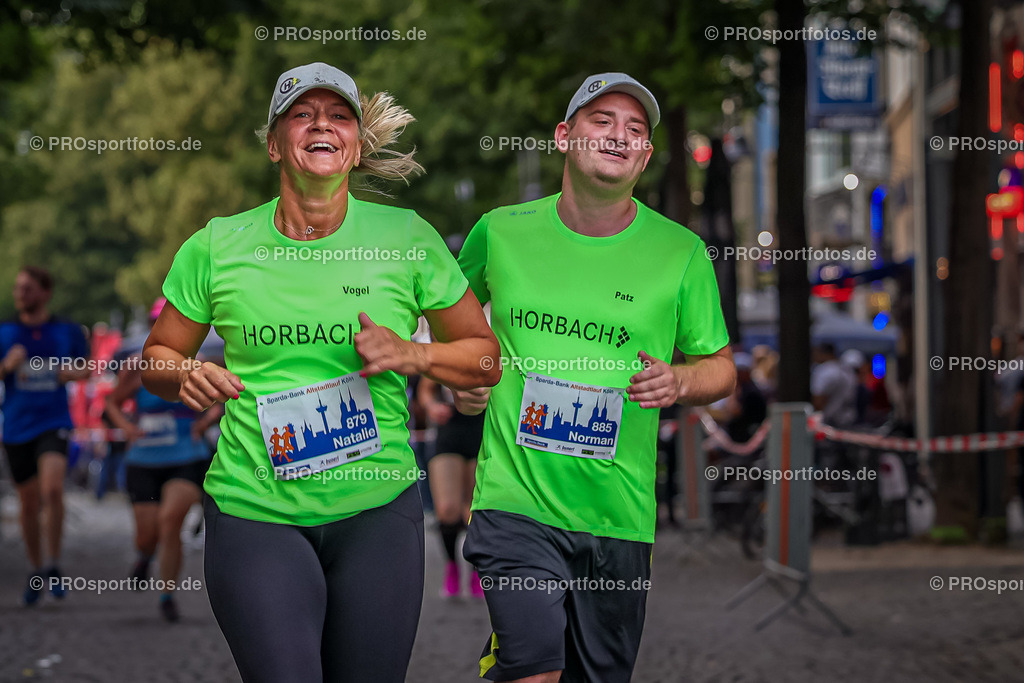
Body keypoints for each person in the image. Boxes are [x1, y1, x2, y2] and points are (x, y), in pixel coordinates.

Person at [140, 62, 499, 683]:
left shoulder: (406, 239)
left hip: (376, 509)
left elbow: (483, 355)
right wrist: (184, 374)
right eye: (301, 115)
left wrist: (414, 355)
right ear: (275, 143)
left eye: (338, 116)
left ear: (357, 145)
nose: (321, 125)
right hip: (256, 507)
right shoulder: (218, 245)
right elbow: (156, 358)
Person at [454, 73, 735, 683]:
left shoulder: (681, 252)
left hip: (619, 516)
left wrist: (681, 383)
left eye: (635, 129)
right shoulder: (499, 231)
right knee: (532, 660)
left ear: (647, 155)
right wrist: (464, 380)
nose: (619, 136)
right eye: (602, 120)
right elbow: (449, 326)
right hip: (515, 504)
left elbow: (721, 366)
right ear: (564, 136)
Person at [104, 297, 220, 621]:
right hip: (144, 459)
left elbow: (224, 399)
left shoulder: (202, 362)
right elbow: (112, 404)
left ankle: (167, 594)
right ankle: (144, 555)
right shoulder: (137, 365)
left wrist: (205, 421)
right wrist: (128, 427)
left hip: (186, 455)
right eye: (161, 321)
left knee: (171, 522)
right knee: (148, 534)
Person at [0, 266, 91, 605]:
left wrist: (70, 372)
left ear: (44, 293)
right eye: (17, 288)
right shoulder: (5, 331)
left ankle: (53, 565)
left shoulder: (65, 330)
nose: (20, 293)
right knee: (29, 503)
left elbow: (86, 366)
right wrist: (7, 366)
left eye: (28, 288)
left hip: (54, 421)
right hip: (16, 426)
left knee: (52, 489)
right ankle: (36, 569)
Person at [417, 374, 485, 598]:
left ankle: (477, 570)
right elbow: (426, 389)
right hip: (449, 432)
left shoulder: (495, 349)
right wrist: (431, 406)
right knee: (447, 510)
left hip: (482, 434)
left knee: (473, 510)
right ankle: (451, 566)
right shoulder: (444, 346)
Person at [811, 343, 857, 428]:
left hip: (829, 421)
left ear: (823, 353)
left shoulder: (825, 370)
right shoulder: (846, 370)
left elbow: (818, 400)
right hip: (848, 418)